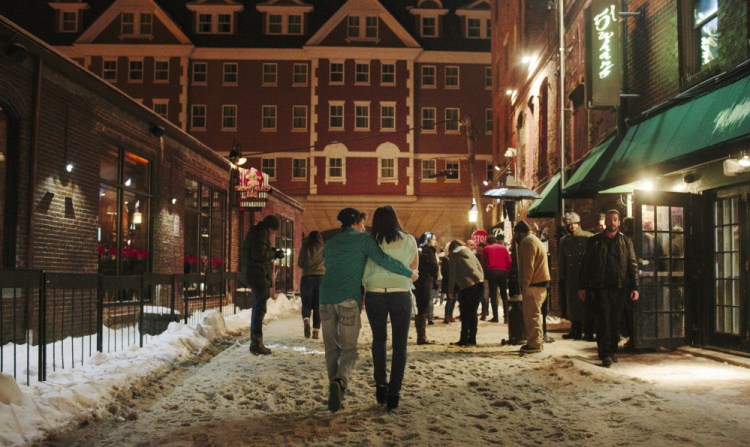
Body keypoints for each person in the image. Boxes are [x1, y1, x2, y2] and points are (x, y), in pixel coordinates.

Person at [319, 207, 419, 412]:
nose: (364, 227)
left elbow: (335, 265)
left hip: (345, 296)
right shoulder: (368, 240)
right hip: (376, 295)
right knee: (385, 346)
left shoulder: (338, 242)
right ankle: (385, 392)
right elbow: (394, 261)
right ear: (356, 222)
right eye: (362, 223)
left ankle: (348, 386)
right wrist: (409, 273)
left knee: (347, 345)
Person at [363, 206, 419, 411]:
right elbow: (414, 267)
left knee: (379, 340)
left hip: (375, 293)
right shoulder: (409, 240)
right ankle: (394, 392)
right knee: (400, 345)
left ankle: (380, 385)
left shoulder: (370, 241)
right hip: (401, 293)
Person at [578, 209, 640, 368]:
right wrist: (582, 286)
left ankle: (612, 350)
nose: (612, 222)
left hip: (620, 288)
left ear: (619, 222)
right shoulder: (595, 241)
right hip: (600, 287)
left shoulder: (626, 242)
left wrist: (635, 287)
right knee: (604, 319)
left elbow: (632, 264)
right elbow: (585, 265)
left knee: (615, 320)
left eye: (615, 219)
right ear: (605, 222)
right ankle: (605, 353)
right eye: (609, 219)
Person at [245, 215, 284, 355]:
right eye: (274, 230)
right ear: (271, 227)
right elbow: (259, 254)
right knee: (259, 308)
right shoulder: (261, 233)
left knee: (259, 308)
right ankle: (256, 342)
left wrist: (273, 253)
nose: (273, 234)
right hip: (258, 275)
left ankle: (256, 341)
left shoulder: (257, 232)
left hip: (257, 275)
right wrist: (273, 253)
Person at [513, 220, 550, 354]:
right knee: (534, 314)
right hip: (539, 283)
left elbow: (528, 266)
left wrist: (525, 285)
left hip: (534, 284)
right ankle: (534, 342)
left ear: (519, 233)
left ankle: (535, 344)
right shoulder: (533, 239)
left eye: (515, 233)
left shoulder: (527, 242)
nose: (514, 237)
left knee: (532, 315)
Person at [558, 212, 593, 340]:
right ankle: (575, 330)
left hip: (585, 276)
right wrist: (562, 276)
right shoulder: (564, 241)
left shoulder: (588, 237)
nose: (572, 227)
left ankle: (588, 331)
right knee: (572, 305)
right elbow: (562, 260)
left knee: (586, 305)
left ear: (578, 224)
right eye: (569, 225)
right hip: (571, 277)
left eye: (574, 224)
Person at [447, 240, 484, 346]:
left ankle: (463, 339)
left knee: (465, 313)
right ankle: (472, 339)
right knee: (473, 313)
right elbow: (479, 267)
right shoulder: (469, 252)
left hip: (467, 286)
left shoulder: (453, 256)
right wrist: (480, 278)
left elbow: (452, 274)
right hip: (479, 283)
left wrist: (450, 290)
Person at [298, 230, 325, 339]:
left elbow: (300, 263)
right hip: (321, 278)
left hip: (307, 277)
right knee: (318, 306)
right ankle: (316, 331)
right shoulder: (325, 248)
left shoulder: (305, 247)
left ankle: (306, 320)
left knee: (306, 304)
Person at [413, 232, 439, 344]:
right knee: (423, 307)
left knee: (420, 307)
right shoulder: (428, 250)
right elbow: (434, 266)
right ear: (429, 240)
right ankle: (421, 337)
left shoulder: (416, 249)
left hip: (415, 281)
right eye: (434, 239)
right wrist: (434, 278)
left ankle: (421, 335)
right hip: (425, 281)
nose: (435, 241)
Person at [482, 235, 512, 323]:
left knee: (494, 294)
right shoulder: (503, 248)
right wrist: (506, 271)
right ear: (495, 240)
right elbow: (509, 261)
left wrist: (486, 271)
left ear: (487, 242)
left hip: (492, 272)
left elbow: (484, 262)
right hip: (503, 272)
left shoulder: (486, 248)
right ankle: (506, 317)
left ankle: (495, 317)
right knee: (504, 295)